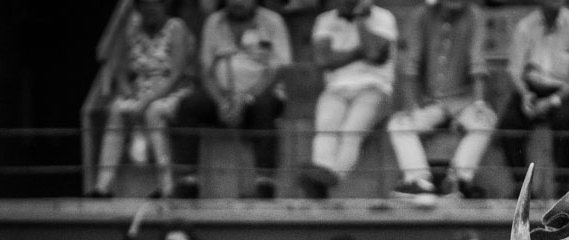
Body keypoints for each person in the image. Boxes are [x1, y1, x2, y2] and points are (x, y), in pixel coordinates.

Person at [170, 0, 292, 199]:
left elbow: (278, 69)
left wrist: (246, 97)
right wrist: (221, 102)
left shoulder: (272, 21)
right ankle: (188, 182)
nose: (237, 2)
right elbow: (206, 71)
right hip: (222, 96)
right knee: (188, 105)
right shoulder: (214, 22)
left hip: (261, 94)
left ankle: (265, 184)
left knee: (264, 106)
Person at [386, 0, 496, 200]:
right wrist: (411, 106)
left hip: (464, 101)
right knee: (399, 124)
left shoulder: (474, 15)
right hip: (430, 102)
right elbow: (410, 65)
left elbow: (477, 61)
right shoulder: (421, 15)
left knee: (484, 121)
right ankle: (418, 181)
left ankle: (457, 181)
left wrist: (479, 103)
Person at [89, 0, 195, 199]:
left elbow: (176, 75)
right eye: (144, 5)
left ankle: (167, 188)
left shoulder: (176, 27)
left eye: (154, 4)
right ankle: (102, 187)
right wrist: (126, 90)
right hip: (140, 91)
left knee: (153, 112)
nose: (150, 9)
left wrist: (145, 102)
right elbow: (119, 68)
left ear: (164, 5)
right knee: (116, 110)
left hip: (172, 92)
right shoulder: (132, 29)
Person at [298, 0, 398, 199]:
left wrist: (360, 20)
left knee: (351, 131)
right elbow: (323, 60)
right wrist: (359, 52)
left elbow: (374, 53)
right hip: (336, 88)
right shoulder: (325, 19)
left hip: (375, 87)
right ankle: (321, 175)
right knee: (326, 127)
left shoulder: (383, 17)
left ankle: (332, 177)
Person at [496, 0, 569, 199]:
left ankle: (562, 184)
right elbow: (514, 70)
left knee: (564, 119)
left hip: (568, 91)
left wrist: (552, 101)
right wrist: (525, 95)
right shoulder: (525, 26)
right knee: (509, 121)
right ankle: (521, 185)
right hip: (532, 89)